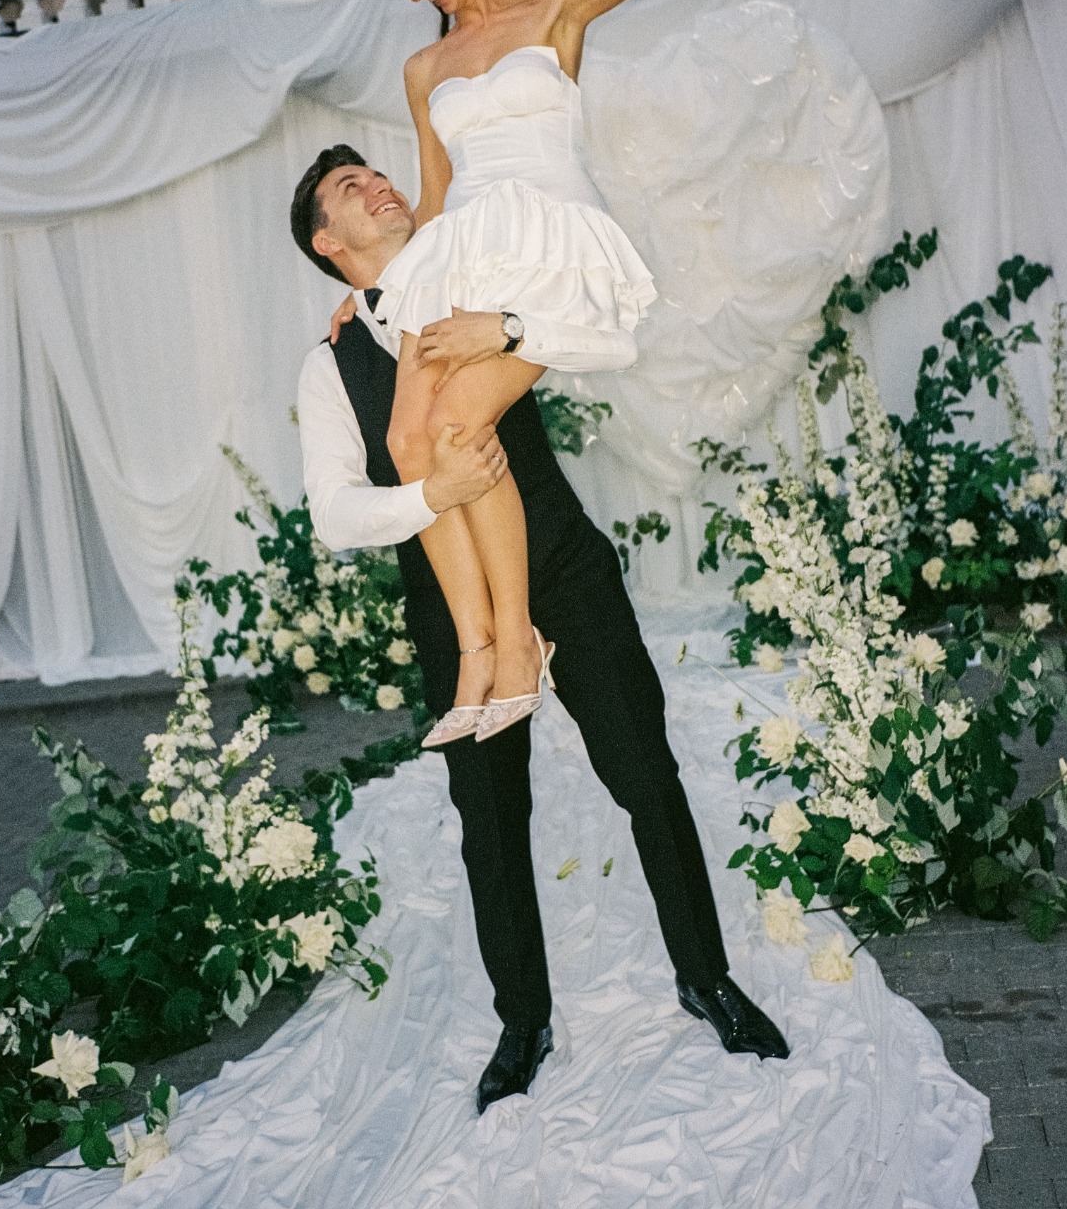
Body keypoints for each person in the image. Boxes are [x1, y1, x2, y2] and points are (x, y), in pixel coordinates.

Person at [291, 146, 790, 1111]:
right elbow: (336, 512)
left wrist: (509, 323)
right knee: (490, 820)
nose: (380, 185)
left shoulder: (478, 270)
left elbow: (591, 311)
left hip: (564, 563)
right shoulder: (329, 364)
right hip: (452, 612)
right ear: (326, 242)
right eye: (351, 189)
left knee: (645, 772)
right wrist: (432, 494)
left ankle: (708, 980)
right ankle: (523, 1022)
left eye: (377, 173)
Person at [327, 0, 666, 755]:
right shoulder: (424, 68)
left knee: (458, 424)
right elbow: (433, 200)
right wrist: (371, 294)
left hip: (547, 244)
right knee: (406, 439)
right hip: (463, 247)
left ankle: (519, 641)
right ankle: (477, 650)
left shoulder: (555, 13)